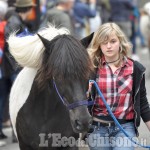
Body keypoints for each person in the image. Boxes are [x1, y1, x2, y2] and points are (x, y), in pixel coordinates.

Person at [85, 22, 150, 150]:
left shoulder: (135, 69)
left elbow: (143, 104)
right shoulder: (91, 70)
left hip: (125, 127)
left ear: (120, 41)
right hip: (97, 128)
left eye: (113, 41)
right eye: (104, 43)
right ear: (99, 45)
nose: (108, 46)